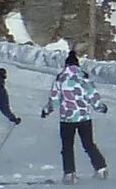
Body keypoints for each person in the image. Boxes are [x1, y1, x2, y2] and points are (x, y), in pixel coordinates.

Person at [44, 50, 107, 178]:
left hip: (67, 119)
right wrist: (101, 107)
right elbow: (92, 97)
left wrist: (47, 110)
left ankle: (69, 174)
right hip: (84, 118)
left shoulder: (60, 79)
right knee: (89, 144)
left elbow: (55, 100)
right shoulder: (84, 78)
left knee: (67, 147)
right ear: (77, 65)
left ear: (66, 65)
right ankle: (101, 168)